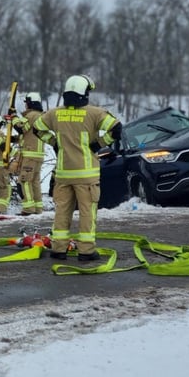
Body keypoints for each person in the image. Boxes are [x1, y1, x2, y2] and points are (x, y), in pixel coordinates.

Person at [31, 75, 121, 261]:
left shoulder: (54, 113)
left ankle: (58, 249)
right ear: (84, 93)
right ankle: (86, 251)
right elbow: (117, 129)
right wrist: (99, 144)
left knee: (62, 211)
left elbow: (36, 128)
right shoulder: (94, 113)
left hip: (63, 175)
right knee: (87, 213)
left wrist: (55, 143)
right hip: (86, 176)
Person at [14, 92, 48, 215]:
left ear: (29, 103)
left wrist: (13, 117)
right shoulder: (40, 116)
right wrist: (14, 139)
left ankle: (28, 209)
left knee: (24, 181)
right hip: (38, 155)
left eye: (26, 103)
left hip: (29, 155)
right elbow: (29, 135)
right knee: (34, 182)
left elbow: (20, 128)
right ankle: (38, 208)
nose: (25, 106)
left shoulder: (31, 115)